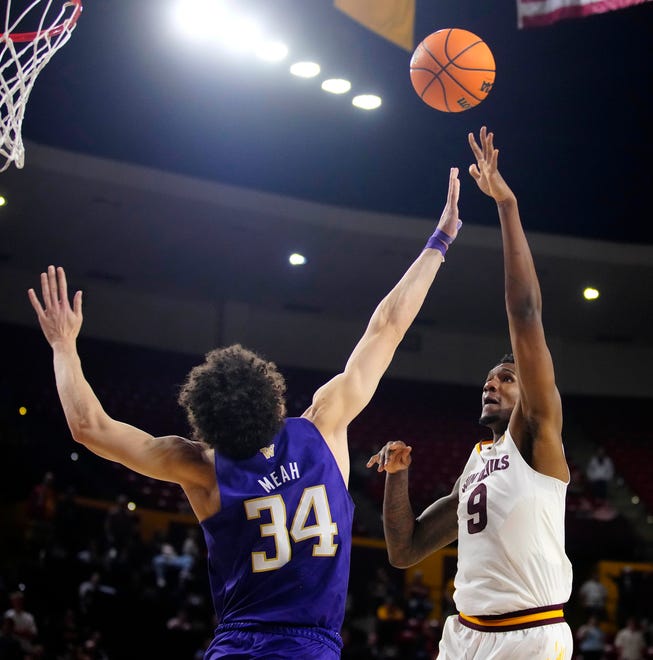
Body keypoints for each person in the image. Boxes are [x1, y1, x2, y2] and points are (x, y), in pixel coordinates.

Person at [27, 167, 462, 660]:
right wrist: (440, 241)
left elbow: (89, 428)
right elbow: (387, 327)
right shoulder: (324, 425)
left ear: (205, 423)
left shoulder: (201, 467)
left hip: (236, 646)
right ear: (273, 396)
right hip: (311, 649)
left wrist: (64, 346)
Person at [367, 128, 573, 659]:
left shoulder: (537, 436)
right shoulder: (477, 464)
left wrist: (506, 205)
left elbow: (524, 314)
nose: (492, 382)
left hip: (528, 635)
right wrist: (397, 477)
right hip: (463, 636)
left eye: (506, 376)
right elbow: (404, 550)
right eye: (489, 377)